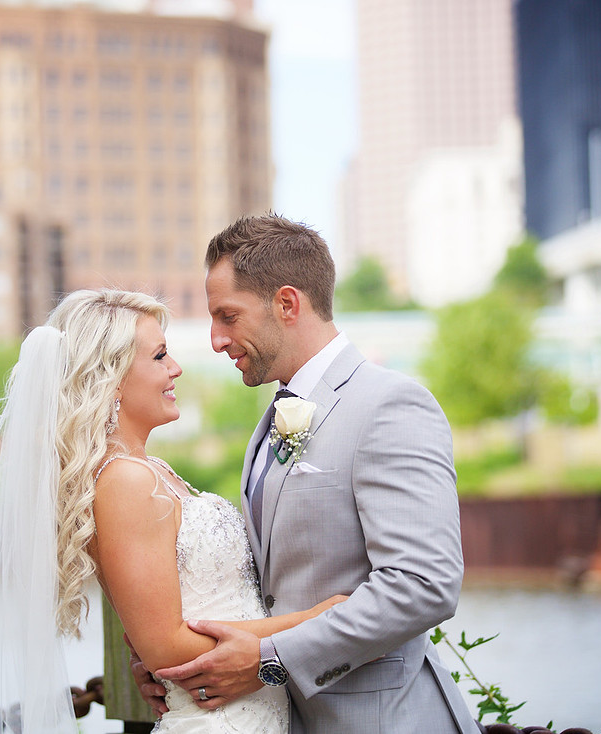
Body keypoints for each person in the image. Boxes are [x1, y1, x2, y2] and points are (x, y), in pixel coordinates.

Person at [130, 214, 478, 733]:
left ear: (287, 304)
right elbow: (272, 584)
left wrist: (268, 662)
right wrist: (186, 664)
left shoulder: (389, 405)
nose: (216, 340)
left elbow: (423, 584)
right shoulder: (275, 417)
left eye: (228, 316)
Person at [0, 289, 344, 734]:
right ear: (110, 377)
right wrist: (319, 619)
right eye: (160, 356)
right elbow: (165, 647)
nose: (175, 368)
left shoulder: (149, 470)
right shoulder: (126, 480)